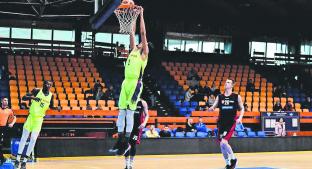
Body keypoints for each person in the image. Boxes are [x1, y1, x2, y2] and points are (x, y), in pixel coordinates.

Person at [112, 6, 153, 156]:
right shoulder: (133, 50)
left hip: (136, 83)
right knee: (121, 112)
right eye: (142, 42)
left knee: (129, 113)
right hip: (126, 83)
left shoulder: (144, 55)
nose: (143, 42)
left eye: (145, 43)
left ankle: (127, 143)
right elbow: (131, 31)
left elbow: (142, 32)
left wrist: (141, 14)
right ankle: (121, 139)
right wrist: (133, 15)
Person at [14, 80, 58, 169]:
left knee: (33, 139)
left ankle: (24, 161)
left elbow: (51, 106)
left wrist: (57, 107)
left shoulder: (51, 95)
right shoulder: (37, 90)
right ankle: (17, 159)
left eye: (50, 85)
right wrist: (33, 98)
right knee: (24, 138)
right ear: (44, 84)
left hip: (39, 120)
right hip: (31, 117)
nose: (48, 85)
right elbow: (23, 98)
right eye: (47, 84)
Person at [208, 79, 244, 169]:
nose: (226, 83)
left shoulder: (236, 97)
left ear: (232, 85)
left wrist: (240, 118)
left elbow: (242, 108)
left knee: (224, 142)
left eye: (228, 82)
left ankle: (234, 159)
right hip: (221, 123)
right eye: (225, 82)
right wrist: (211, 108)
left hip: (231, 122)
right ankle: (228, 163)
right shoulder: (220, 96)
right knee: (221, 144)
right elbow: (214, 105)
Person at [124, 99, 149, 169]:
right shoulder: (127, 101)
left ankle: (131, 164)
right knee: (126, 144)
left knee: (133, 144)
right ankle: (127, 164)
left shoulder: (143, 102)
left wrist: (144, 123)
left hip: (136, 128)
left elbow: (147, 115)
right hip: (127, 127)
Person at [0, 97, 16, 165]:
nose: (6, 101)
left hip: (3, 128)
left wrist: (12, 123)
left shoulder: (9, 110)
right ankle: (2, 158)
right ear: (1, 101)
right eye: (4, 100)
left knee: (0, 144)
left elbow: (15, 117)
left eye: (7, 100)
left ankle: (2, 159)